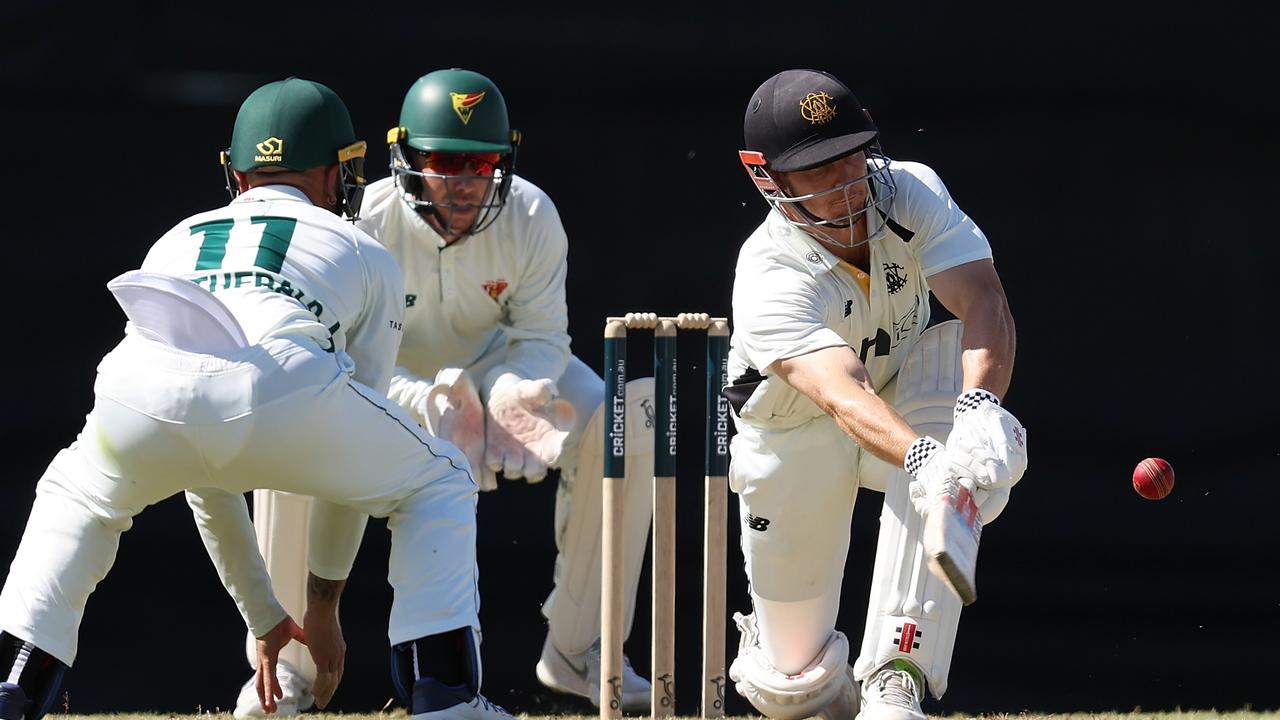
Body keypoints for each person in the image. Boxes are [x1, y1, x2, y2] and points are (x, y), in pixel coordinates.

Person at [0, 78, 513, 720]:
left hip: (135, 391)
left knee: (74, 497)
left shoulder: (177, 236)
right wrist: (320, 603)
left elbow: (200, 462)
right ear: (335, 175)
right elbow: (355, 450)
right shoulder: (366, 251)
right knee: (438, 479)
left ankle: (13, 691)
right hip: (283, 381)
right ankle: (445, 697)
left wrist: (265, 615)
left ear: (238, 176)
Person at [232, 68, 655, 715]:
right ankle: (287, 669)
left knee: (630, 421)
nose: (463, 182)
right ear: (407, 158)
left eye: (482, 162)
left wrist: (513, 393)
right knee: (293, 423)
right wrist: (423, 403)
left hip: (499, 369)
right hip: (383, 381)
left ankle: (582, 647)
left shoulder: (532, 214)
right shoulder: (361, 223)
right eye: (443, 161)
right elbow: (342, 358)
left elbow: (542, 336)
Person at [722, 69, 1029, 720]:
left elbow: (982, 297)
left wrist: (979, 410)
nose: (847, 179)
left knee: (950, 362)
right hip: (793, 431)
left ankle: (897, 677)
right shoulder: (767, 272)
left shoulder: (909, 190)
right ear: (766, 176)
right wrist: (925, 462)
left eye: (852, 154)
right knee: (795, 692)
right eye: (819, 169)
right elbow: (842, 394)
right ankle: (802, 678)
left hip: (908, 389)